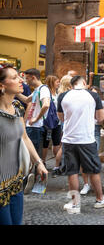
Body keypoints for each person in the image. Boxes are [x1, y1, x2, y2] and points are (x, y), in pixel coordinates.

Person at [57, 76, 104, 214]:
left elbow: (61, 118)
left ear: (72, 85)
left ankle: (75, 203)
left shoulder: (63, 96)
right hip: (86, 139)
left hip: (69, 139)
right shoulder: (93, 95)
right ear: (84, 83)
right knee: (93, 170)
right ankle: (100, 199)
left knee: (72, 171)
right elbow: (101, 118)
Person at [0, 64, 48, 225]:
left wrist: (38, 162)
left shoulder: (18, 107)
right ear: (2, 85)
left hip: (15, 180)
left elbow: (24, 137)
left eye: (19, 76)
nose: (21, 80)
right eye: (14, 78)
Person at [20, 68, 51, 158]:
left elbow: (46, 105)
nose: (26, 81)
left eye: (27, 78)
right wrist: (14, 91)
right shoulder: (37, 89)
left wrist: (36, 118)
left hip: (36, 126)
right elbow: (26, 100)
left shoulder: (43, 89)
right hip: (33, 126)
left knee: (32, 154)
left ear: (33, 77)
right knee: (30, 153)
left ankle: (37, 171)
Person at [52, 75, 73, 177]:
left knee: (63, 145)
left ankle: (59, 166)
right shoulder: (67, 94)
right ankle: (57, 167)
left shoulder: (60, 94)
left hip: (63, 122)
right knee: (64, 146)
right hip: (67, 122)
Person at [42, 75, 62, 169]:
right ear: (51, 82)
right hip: (48, 122)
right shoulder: (46, 93)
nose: (59, 83)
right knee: (45, 143)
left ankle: (57, 163)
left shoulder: (57, 94)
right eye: (57, 82)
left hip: (57, 122)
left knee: (56, 142)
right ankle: (43, 162)